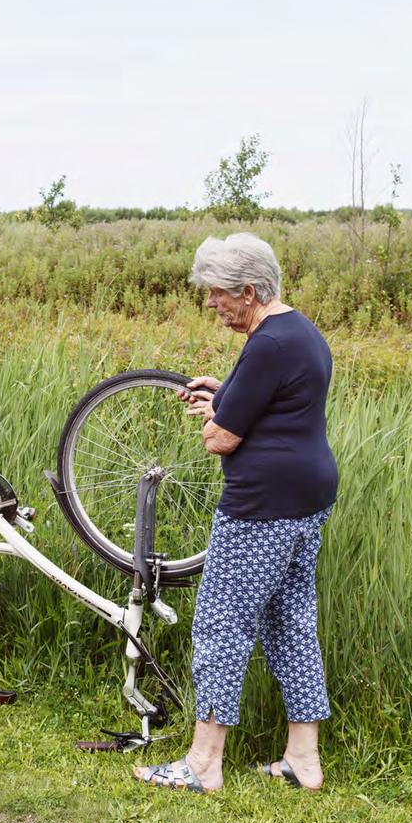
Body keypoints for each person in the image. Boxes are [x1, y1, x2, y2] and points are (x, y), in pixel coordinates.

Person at [134, 233, 338, 793]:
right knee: (290, 622)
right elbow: (280, 402)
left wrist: (215, 417)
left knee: (222, 624)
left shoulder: (267, 344)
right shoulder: (299, 332)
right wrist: (229, 393)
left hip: (263, 507)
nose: (211, 304)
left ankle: (203, 763)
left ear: (248, 291)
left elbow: (222, 439)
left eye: (218, 294)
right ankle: (304, 759)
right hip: (308, 498)